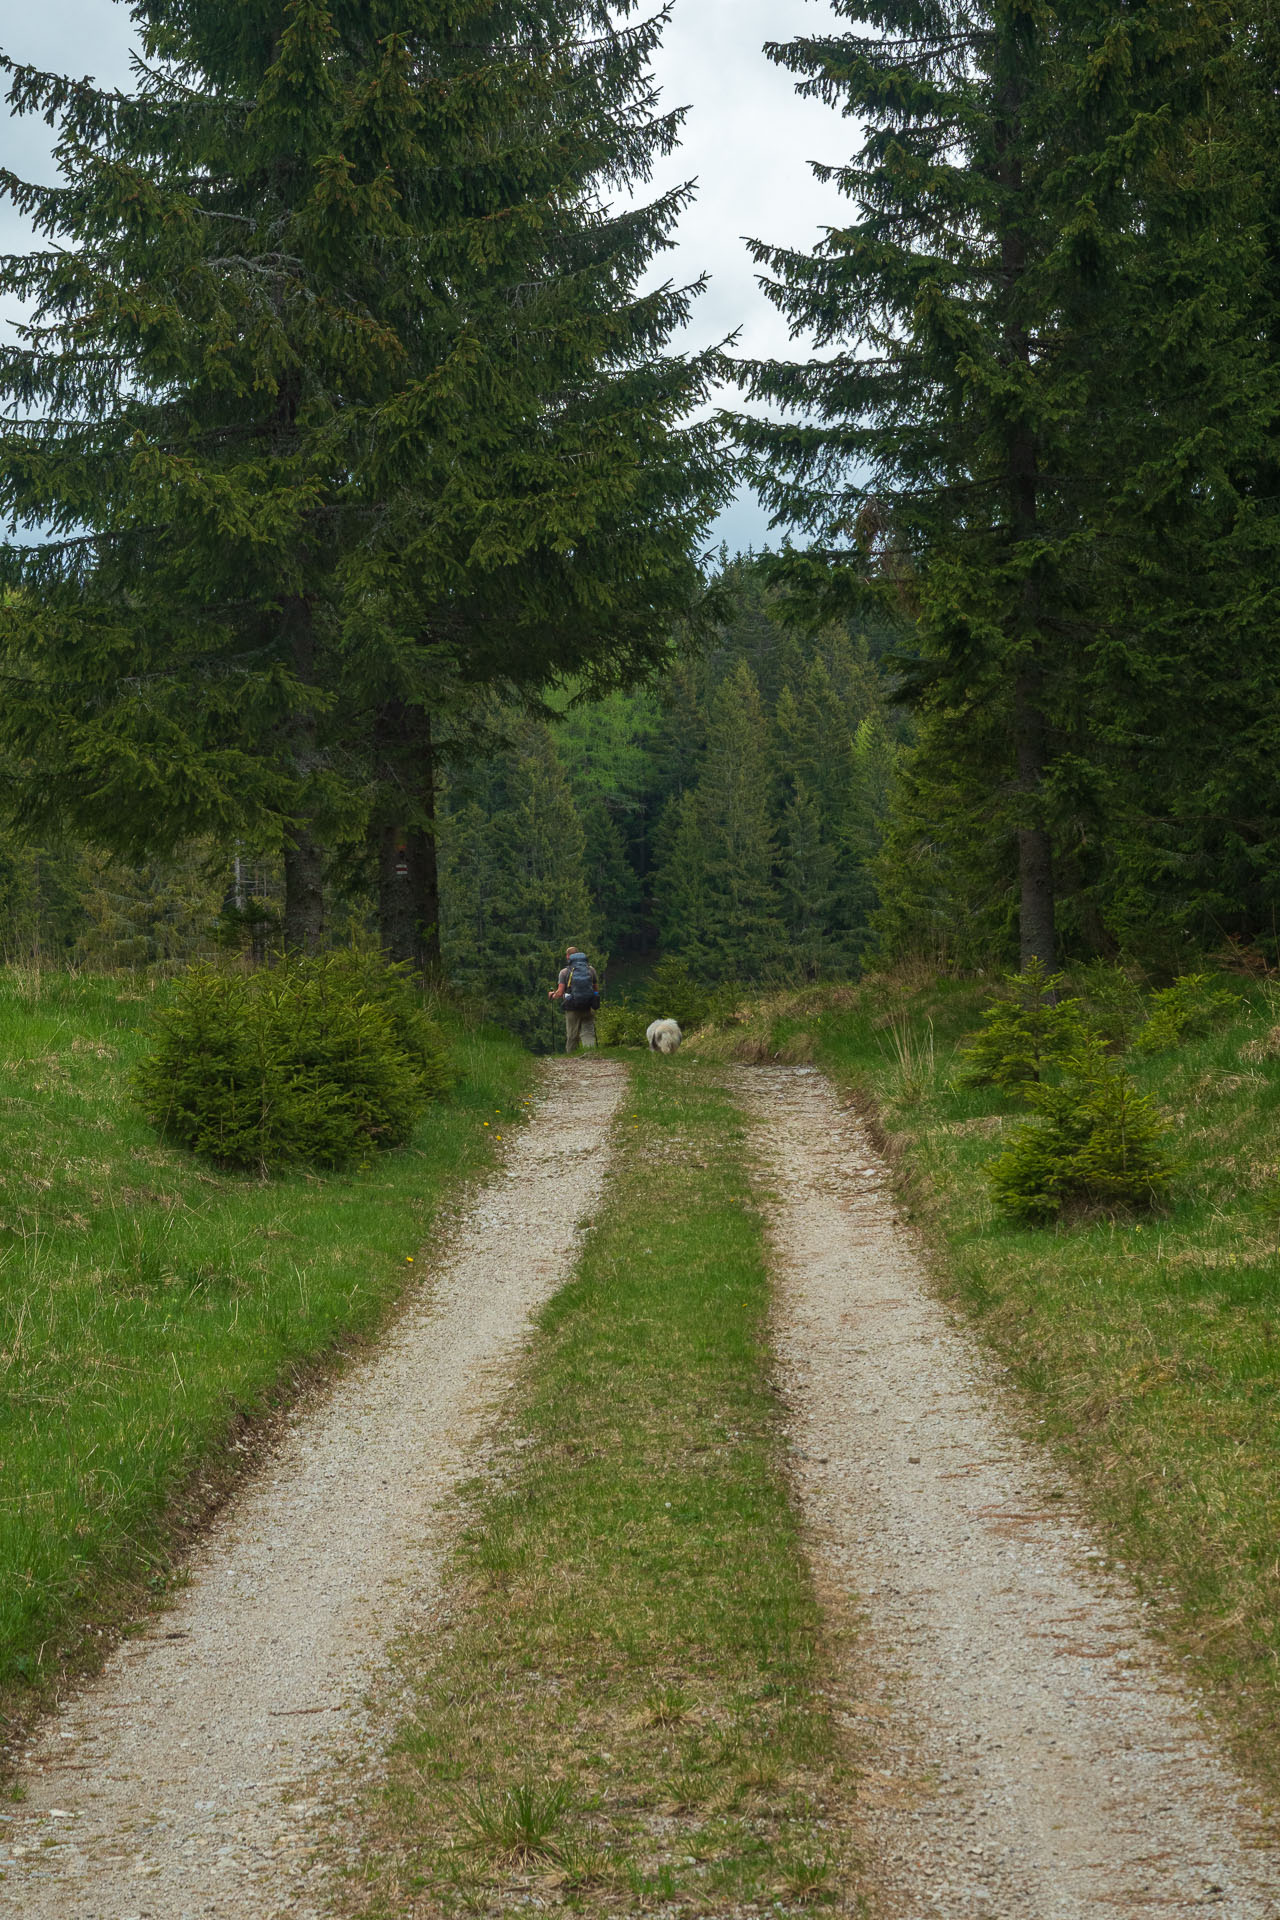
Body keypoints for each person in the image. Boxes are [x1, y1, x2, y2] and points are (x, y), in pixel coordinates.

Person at [548, 944, 599, 1053]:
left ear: (568, 956)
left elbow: (560, 992)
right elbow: (595, 989)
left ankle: (571, 1059)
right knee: (588, 1032)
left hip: (572, 1008)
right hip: (588, 1006)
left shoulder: (564, 972)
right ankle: (590, 1055)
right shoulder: (591, 969)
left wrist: (552, 995)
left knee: (572, 1035)